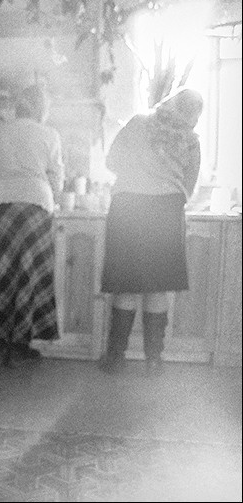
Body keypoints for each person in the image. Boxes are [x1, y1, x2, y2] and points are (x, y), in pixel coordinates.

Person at [99, 87, 204, 375]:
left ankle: (115, 359)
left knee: (126, 286)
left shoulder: (137, 122)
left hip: (128, 208)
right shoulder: (191, 141)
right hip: (165, 213)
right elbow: (189, 186)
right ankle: (153, 361)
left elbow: (111, 161)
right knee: (157, 288)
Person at [0, 84, 64, 369]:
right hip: (35, 206)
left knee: (0, 271)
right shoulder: (50, 135)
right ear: (42, 107)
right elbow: (56, 179)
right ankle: (21, 344)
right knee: (30, 275)